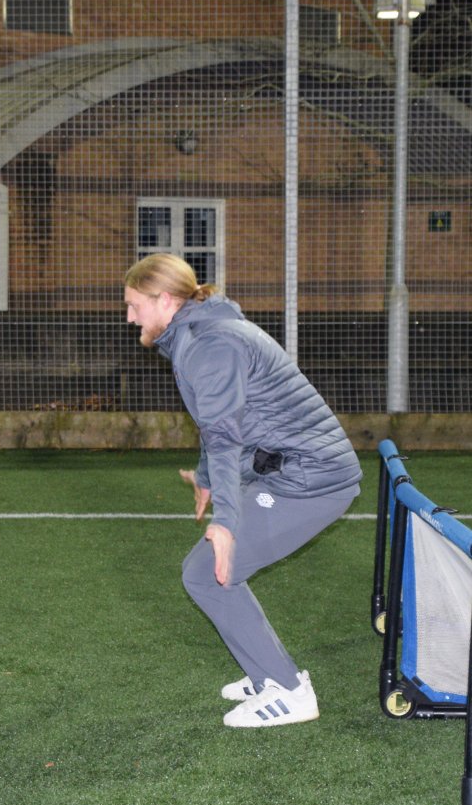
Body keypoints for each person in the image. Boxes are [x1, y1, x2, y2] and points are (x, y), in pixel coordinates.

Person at [123, 252, 362, 728]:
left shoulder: (211, 345)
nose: (128, 316)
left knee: (207, 573)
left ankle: (290, 692)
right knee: (212, 572)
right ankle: (264, 674)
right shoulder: (200, 334)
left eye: (133, 305)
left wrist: (227, 521)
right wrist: (207, 479)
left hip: (312, 479)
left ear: (165, 300)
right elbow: (220, 423)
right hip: (293, 470)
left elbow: (225, 436)